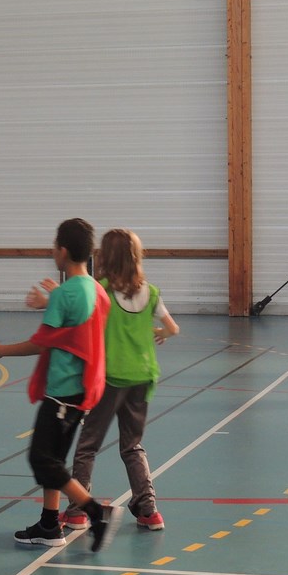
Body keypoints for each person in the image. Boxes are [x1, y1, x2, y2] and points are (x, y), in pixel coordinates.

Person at [0, 218, 121, 552]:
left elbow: (42, 342)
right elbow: (77, 326)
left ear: (62, 251)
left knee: (41, 459)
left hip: (62, 392)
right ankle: (48, 524)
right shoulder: (94, 289)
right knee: (55, 458)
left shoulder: (66, 294)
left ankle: (95, 511)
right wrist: (52, 301)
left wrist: (1, 350)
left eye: (54, 247)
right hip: (82, 390)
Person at [56, 228, 179, 533]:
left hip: (111, 379)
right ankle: (149, 510)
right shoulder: (151, 292)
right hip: (143, 377)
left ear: (105, 257)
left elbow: (83, 324)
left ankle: (77, 512)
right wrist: (158, 333)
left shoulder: (102, 290)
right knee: (132, 445)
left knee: (87, 445)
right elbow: (173, 328)